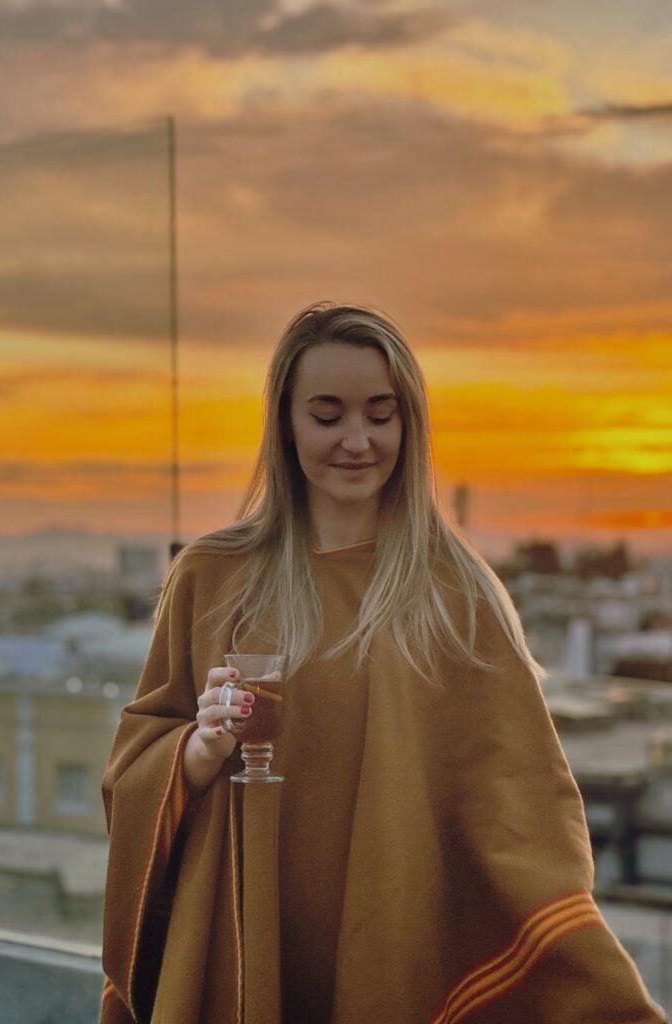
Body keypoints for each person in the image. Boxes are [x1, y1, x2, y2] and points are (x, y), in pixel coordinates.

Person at [100, 302, 666, 1024]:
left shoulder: (455, 593)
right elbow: (131, 770)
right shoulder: (211, 577)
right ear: (285, 424)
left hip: (394, 944)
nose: (356, 440)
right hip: (244, 939)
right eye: (327, 414)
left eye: (380, 412)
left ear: (409, 425)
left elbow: (521, 807)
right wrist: (194, 752)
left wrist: (588, 980)